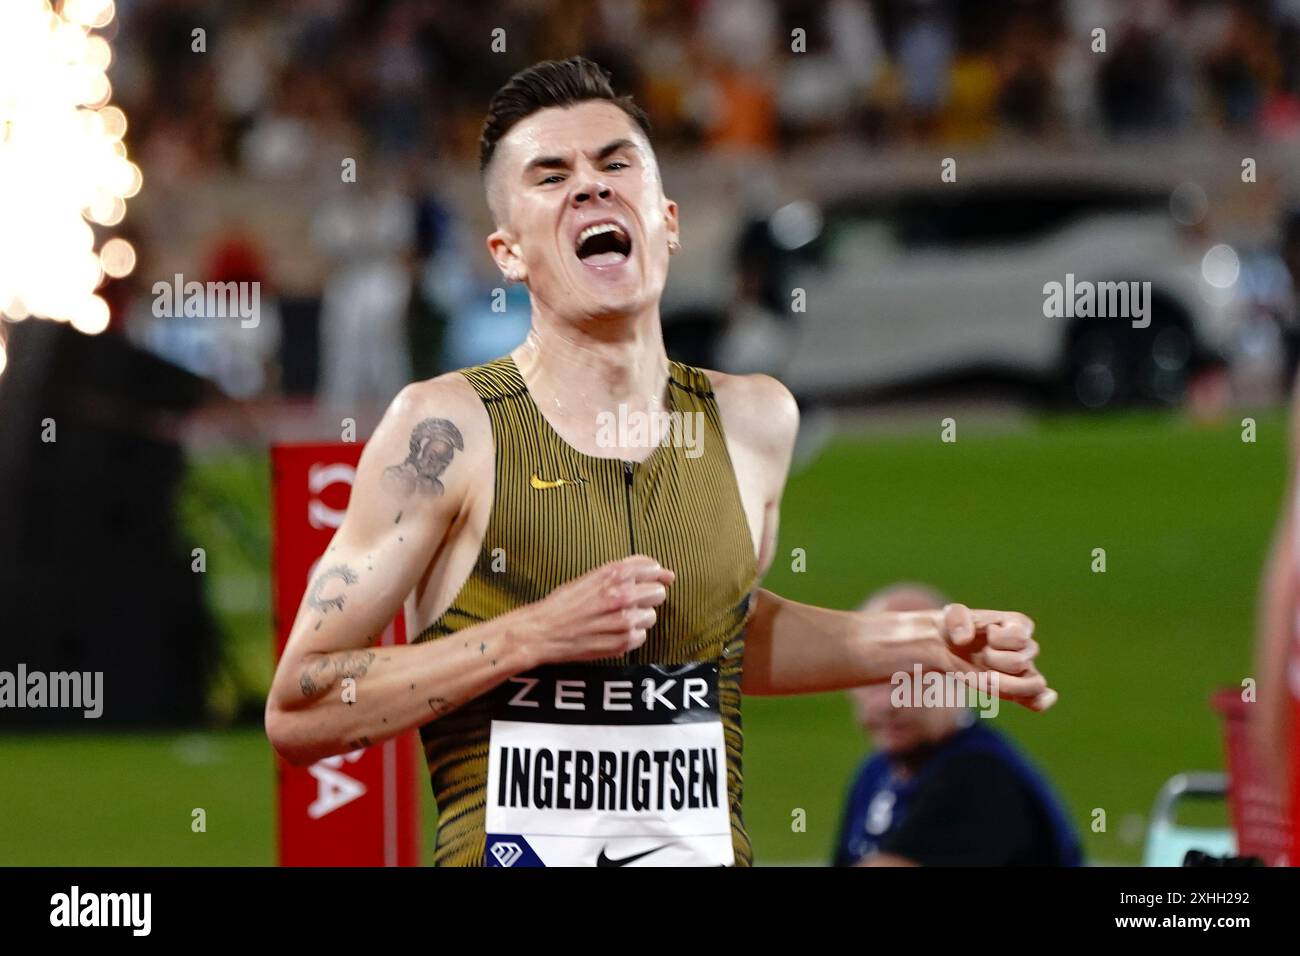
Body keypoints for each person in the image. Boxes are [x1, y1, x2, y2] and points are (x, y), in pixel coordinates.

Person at [264, 57, 1056, 868]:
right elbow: (301, 710)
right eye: (551, 175)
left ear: (667, 220)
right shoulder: (446, 429)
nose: (590, 187)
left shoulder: (755, 421)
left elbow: (718, 636)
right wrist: (530, 636)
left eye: (616, 163)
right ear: (506, 252)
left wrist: (920, 642)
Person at [833, 585, 1081, 867]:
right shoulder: (875, 773)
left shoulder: (981, 777)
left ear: (959, 676)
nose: (890, 703)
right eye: (874, 677)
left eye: (914, 678)